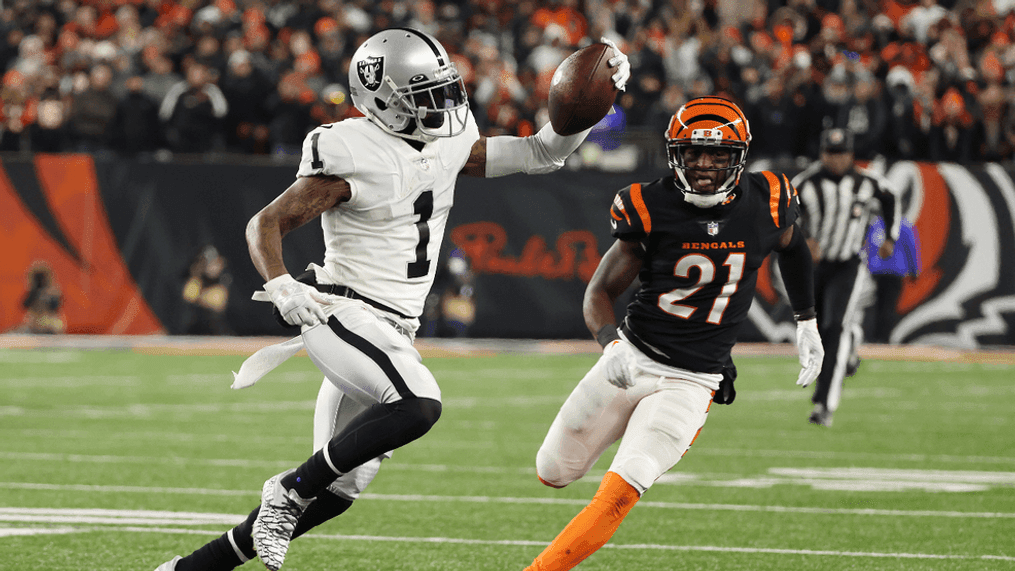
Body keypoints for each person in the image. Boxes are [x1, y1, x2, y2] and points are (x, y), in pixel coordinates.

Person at [154, 28, 630, 571]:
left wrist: (594, 104)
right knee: (418, 404)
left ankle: (192, 568)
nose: (444, 104)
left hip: (392, 328)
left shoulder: (447, 139)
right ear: (383, 101)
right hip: (341, 311)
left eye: (444, 89)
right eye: (424, 95)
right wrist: (282, 283)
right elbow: (266, 222)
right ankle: (285, 489)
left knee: (337, 491)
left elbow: (541, 153)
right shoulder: (351, 150)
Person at [523, 96, 824, 571]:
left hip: (692, 380)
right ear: (674, 153)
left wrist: (807, 319)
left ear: (738, 156)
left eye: (718, 153)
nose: (704, 165)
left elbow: (794, 245)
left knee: (620, 493)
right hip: (632, 359)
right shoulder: (650, 204)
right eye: (693, 153)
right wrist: (611, 344)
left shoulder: (768, 200)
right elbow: (598, 291)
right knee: (553, 471)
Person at [791, 128, 899, 427]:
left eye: (840, 153)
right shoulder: (805, 183)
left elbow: (891, 199)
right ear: (821, 154)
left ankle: (825, 404)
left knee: (834, 328)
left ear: (851, 154)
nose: (835, 159)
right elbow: (785, 215)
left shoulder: (866, 182)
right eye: (830, 153)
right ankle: (852, 344)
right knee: (814, 329)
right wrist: (804, 239)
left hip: (848, 264)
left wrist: (890, 236)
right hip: (814, 267)